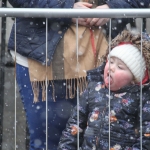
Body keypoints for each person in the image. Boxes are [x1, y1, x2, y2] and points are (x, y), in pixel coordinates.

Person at [7, 0, 150, 150]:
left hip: (108, 50)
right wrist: (63, 8)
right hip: (42, 54)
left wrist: (114, 7)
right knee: (47, 143)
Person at [57, 30, 150, 150]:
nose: (111, 68)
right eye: (110, 62)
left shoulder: (142, 97)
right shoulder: (93, 89)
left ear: (134, 79)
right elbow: (74, 125)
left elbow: (147, 138)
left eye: (120, 67)